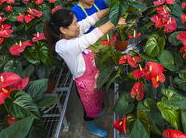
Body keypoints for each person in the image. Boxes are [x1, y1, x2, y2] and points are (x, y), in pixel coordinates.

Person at [44, 8, 125, 138]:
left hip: (93, 75)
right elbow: (88, 39)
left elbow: (90, 20)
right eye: (75, 23)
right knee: (89, 109)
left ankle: (98, 109)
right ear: (63, 30)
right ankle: (90, 125)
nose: (78, 25)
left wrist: (112, 9)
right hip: (85, 84)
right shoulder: (63, 46)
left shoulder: (73, 32)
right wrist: (112, 23)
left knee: (97, 95)